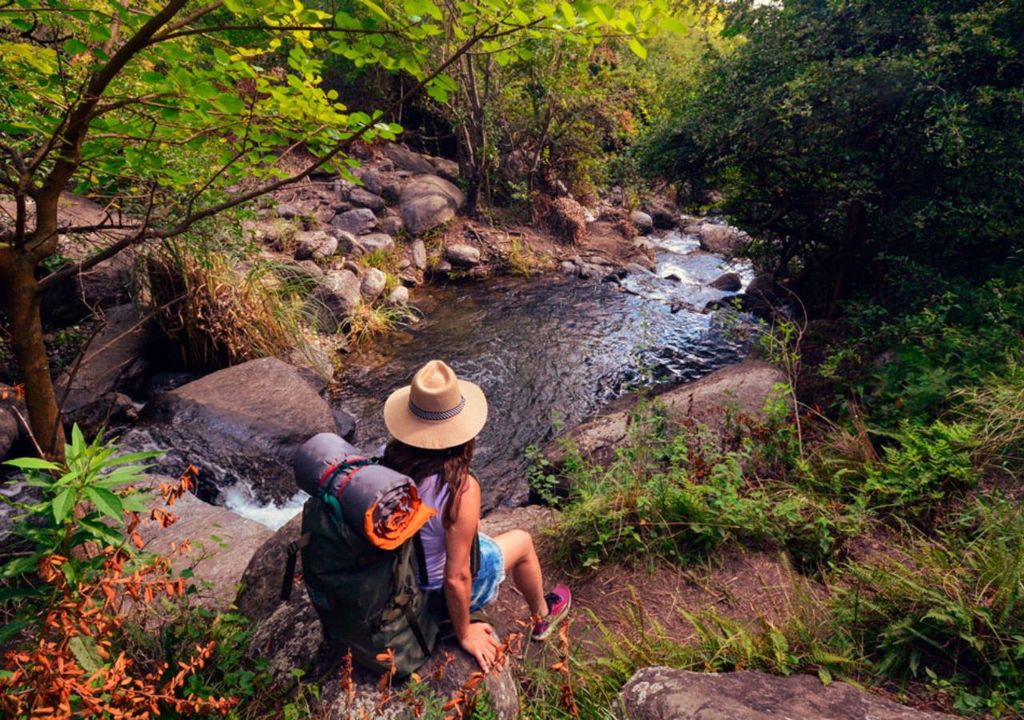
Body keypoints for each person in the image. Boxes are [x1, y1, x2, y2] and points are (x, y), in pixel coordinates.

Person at [382, 359, 571, 672]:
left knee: (470, 541)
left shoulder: (387, 463)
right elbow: (456, 578)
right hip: (433, 596)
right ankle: (543, 617)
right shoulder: (460, 488)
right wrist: (464, 631)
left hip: (401, 580)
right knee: (522, 542)